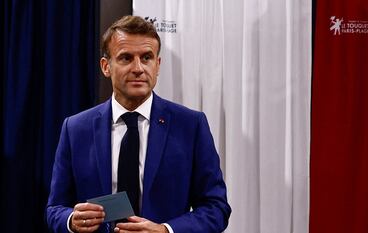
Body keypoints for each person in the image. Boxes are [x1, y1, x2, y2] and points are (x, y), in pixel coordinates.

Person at [46, 15, 231, 233]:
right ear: (106, 66)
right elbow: (55, 209)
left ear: (158, 65)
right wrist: (71, 220)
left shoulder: (191, 126)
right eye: (126, 58)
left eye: (146, 58)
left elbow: (216, 208)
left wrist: (165, 230)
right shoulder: (75, 129)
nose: (138, 68)